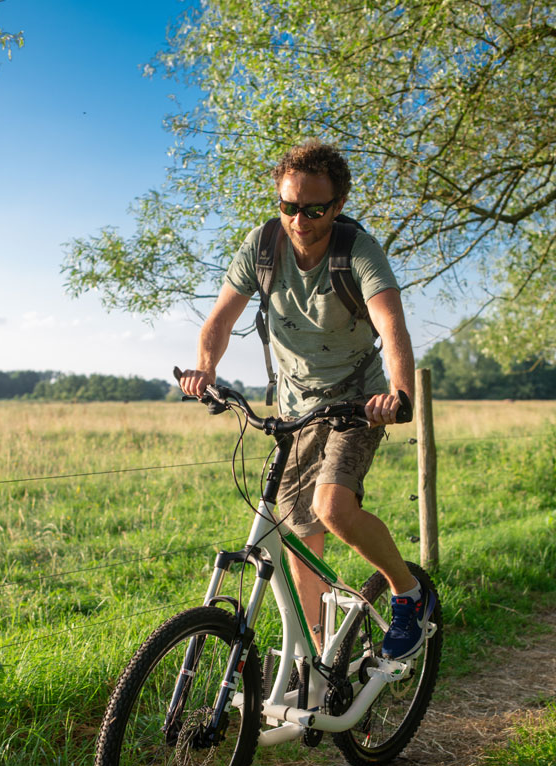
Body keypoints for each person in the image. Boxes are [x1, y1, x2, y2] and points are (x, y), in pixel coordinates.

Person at [179, 140, 435, 660]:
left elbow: (392, 326)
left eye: (314, 209)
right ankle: (319, 661)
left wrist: (399, 394)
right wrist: (205, 368)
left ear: (337, 206)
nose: (300, 219)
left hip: (358, 402)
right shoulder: (263, 245)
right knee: (297, 530)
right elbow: (221, 319)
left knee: (331, 508)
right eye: (289, 206)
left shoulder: (356, 250)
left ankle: (408, 592)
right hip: (296, 406)